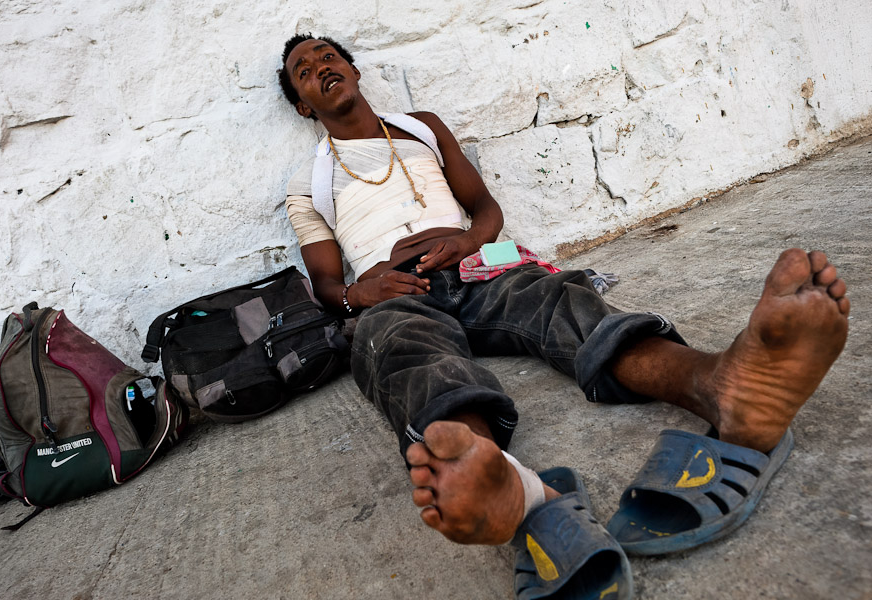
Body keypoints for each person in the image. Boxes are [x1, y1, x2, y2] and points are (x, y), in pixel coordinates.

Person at [278, 34, 850, 597]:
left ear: (353, 71)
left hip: (474, 265)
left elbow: (484, 209)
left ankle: (720, 385)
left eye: (329, 56)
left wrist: (468, 240)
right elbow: (327, 282)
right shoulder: (309, 183)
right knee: (401, 350)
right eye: (305, 69)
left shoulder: (422, 127)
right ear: (304, 105)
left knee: (562, 301)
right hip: (394, 294)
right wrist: (363, 294)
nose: (321, 67)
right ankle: (493, 477)